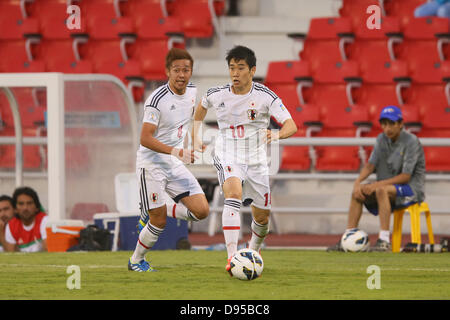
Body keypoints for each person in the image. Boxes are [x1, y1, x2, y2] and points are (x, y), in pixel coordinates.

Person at [192, 45, 298, 274]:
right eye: (232, 68)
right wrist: (194, 136)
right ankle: (232, 259)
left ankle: (253, 250)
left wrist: (276, 134)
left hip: (257, 161)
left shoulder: (265, 96)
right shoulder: (217, 94)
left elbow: (292, 125)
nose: (235, 73)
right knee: (233, 195)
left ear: (252, 70)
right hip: (227, 153)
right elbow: (200, 108)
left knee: (262, 218)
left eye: (241, 68)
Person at [129, 48, 210, 272]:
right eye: (177, 70)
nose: (182, 75)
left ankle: (157, 209)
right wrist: (176, 152)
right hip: (151, 164)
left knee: (201, 211)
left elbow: (192, 118)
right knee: (159, 222)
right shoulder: (156, 100)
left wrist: (194, 140)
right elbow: (145, 138)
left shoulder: (192, 91)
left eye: (186, 70)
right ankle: (136, 260)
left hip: (173, 162)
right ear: (167, 72)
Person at [328, 105, 426, 252]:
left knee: (381, 190)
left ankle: (384, 241)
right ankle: (347, 238)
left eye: (391, 124)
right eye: (384, 124)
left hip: (411, 190)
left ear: (400, 124)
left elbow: (406, 177)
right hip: (387, 188)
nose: (387, 128)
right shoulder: (381, 139)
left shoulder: (411, 141)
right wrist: (357, 182)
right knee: (357, 193)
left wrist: (376, 185)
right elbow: (370, 165)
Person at [4, 186, 48, 252]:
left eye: (29, 203)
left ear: (37, 207)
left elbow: (48, 251)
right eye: (21, 204)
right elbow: (11, 255)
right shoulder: (11, 225)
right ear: (15, 209)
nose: (25, 208)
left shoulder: (44, 220)